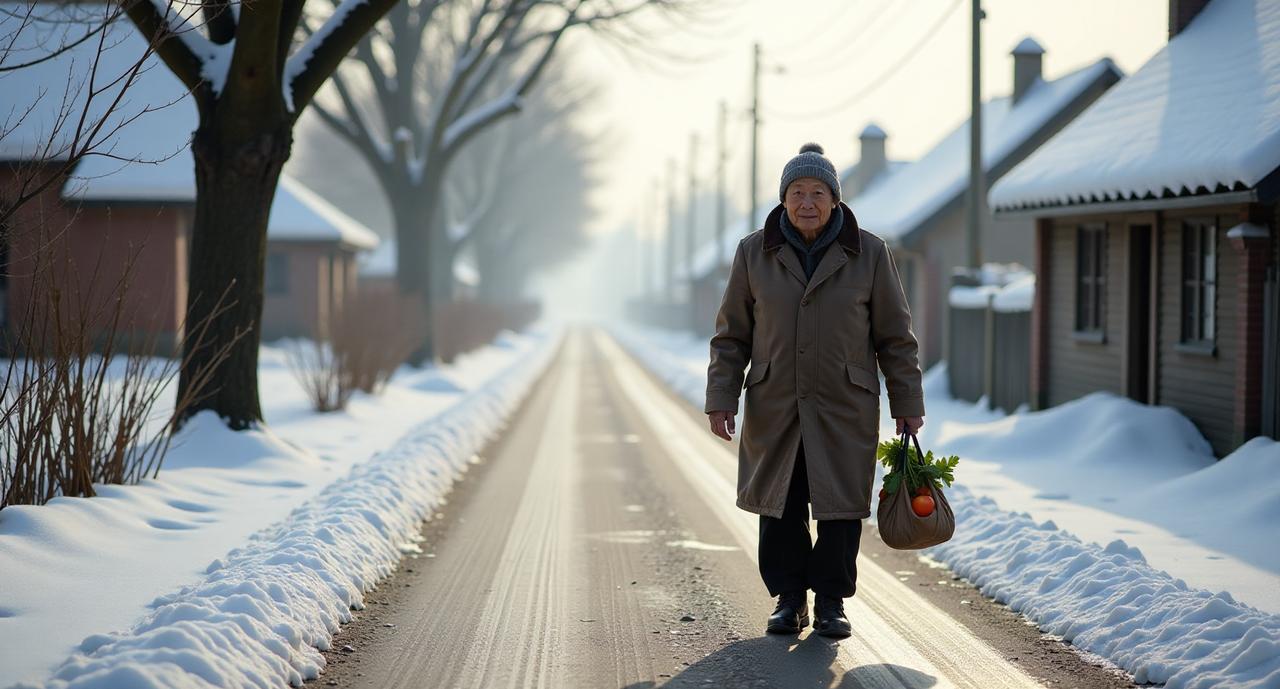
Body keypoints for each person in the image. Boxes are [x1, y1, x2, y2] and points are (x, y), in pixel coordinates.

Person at [704, 143, 925, 639]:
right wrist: (722, 397)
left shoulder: (868, 253)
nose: (808, 202)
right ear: (783, 200)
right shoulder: (753, 253)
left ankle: (830, 603)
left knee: (839, 506)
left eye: (818, 192)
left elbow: (895, 337)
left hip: (843, 404)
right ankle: (788, 600)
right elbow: (731, 336)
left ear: (835, 200)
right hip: (775, 402)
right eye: (798, 192)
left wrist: (907, 402)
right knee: (779, 504)